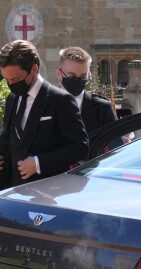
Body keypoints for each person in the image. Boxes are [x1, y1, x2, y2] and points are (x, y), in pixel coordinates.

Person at [0, 40, 88, 189]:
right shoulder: (12, 98)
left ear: (34, 69)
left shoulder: (61, 100)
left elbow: (80, 147)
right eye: (7, 80)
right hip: (12, 192)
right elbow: (10, 138)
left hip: (48, 193)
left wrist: (38, 163)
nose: (11, 84)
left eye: (15, 79)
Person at [57, 47, 117, 136]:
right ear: (59, 74)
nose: (77, 80)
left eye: (82, 76)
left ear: (88, 75)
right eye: (72, 76)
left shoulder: (103, 108)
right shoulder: (46, 105)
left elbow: (116, 145)